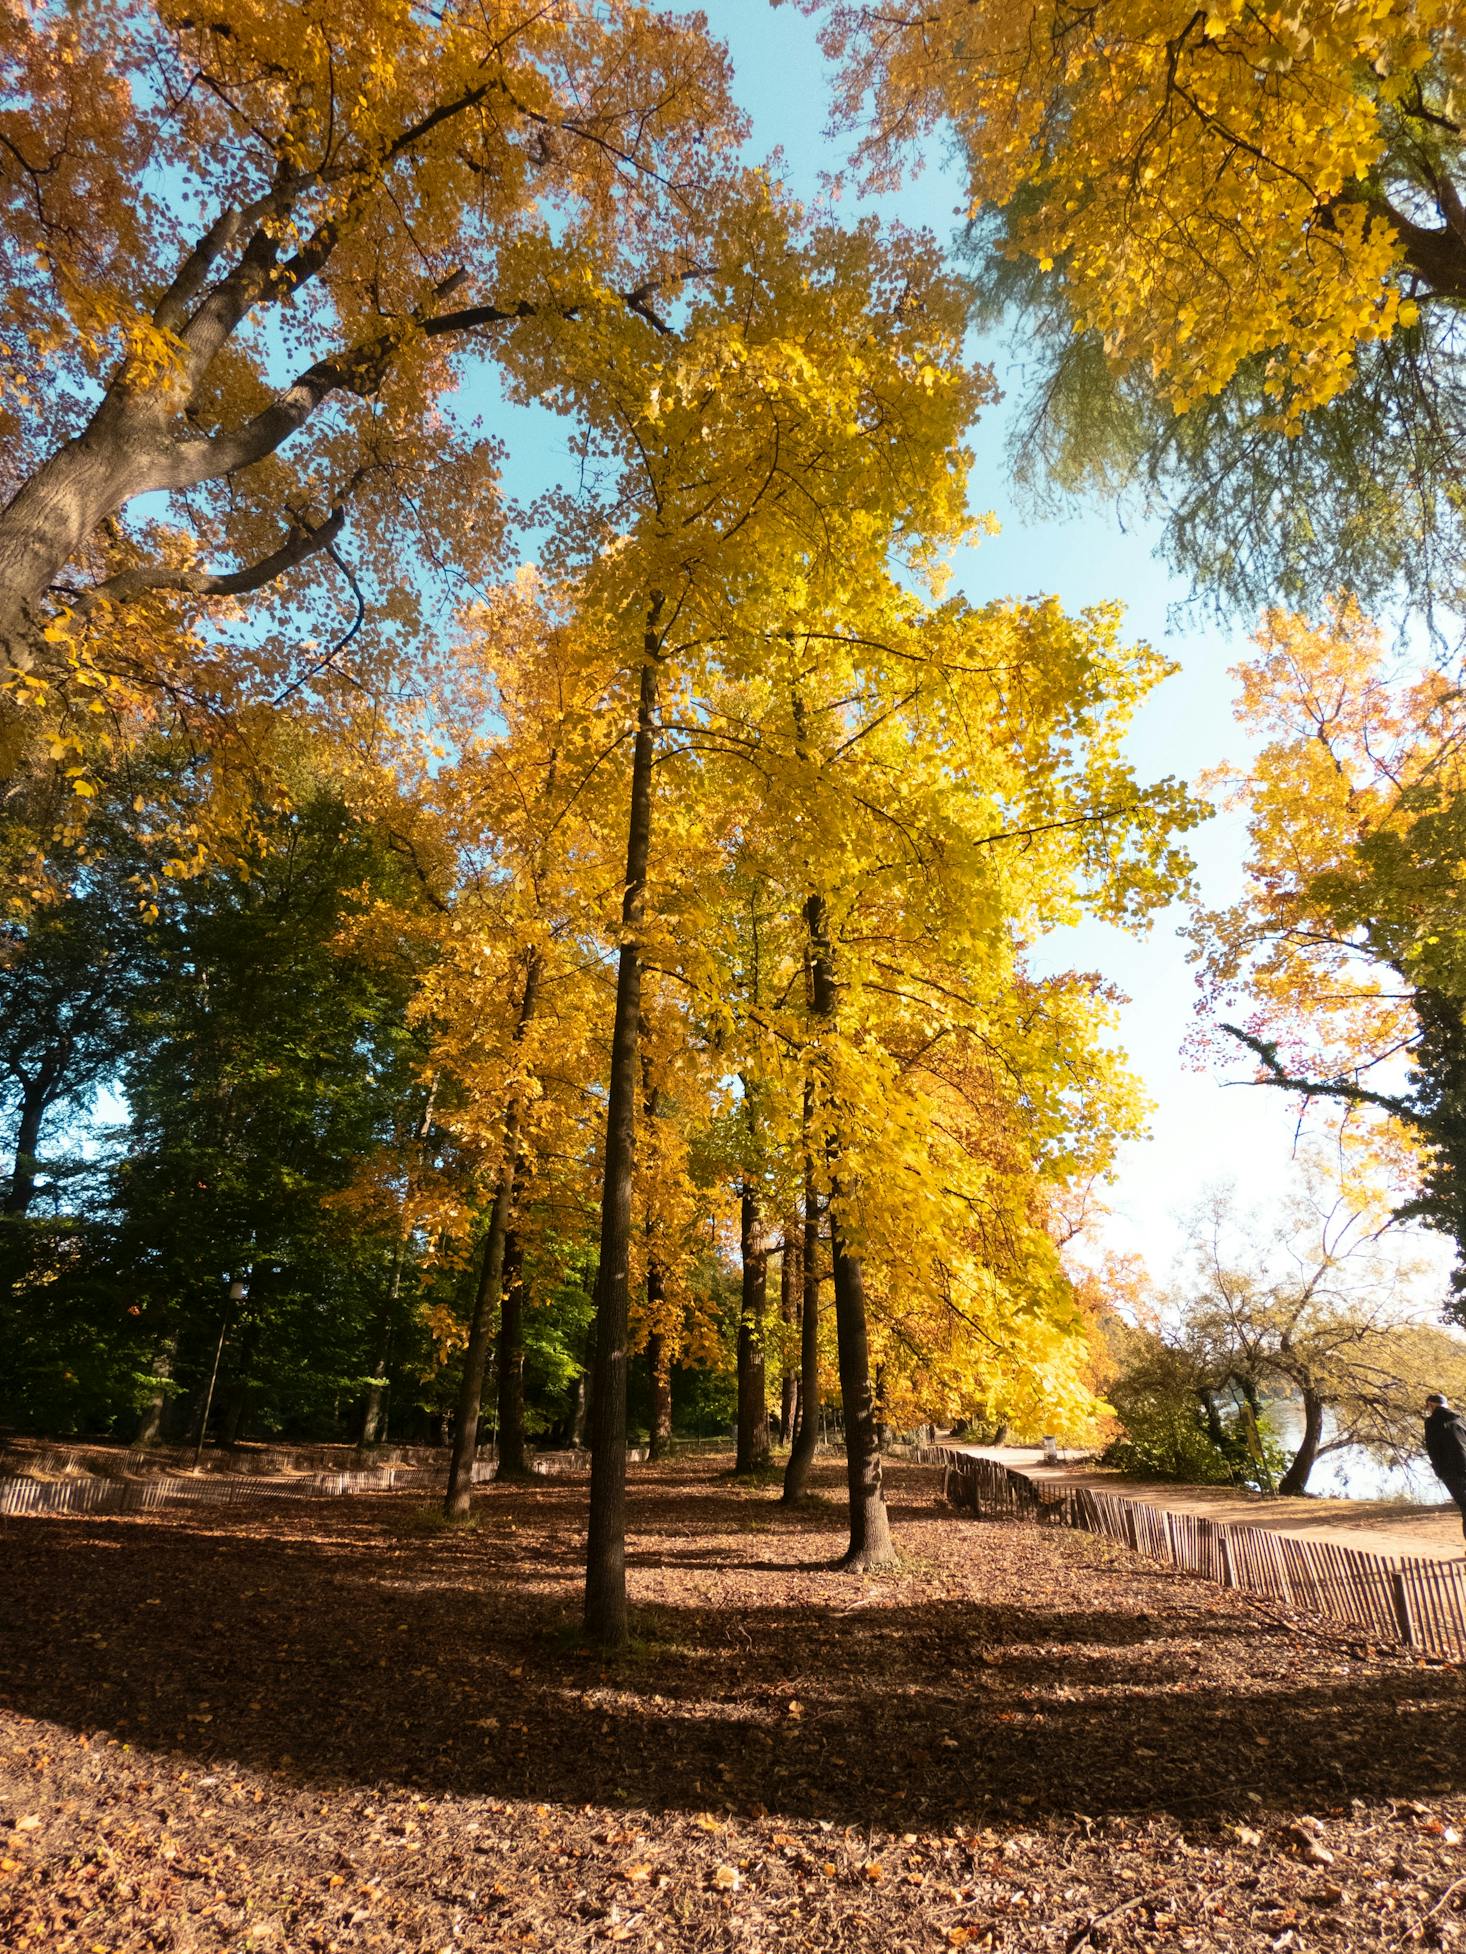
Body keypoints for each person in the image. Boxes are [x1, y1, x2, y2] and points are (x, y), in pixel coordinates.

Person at [1423, 1392, 1466, 1541]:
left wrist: (1439, 1471)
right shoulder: (1461, 1419)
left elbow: (1432, 1449)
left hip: (1451, 1471)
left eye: (1428, 1407)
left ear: (1431, 1405)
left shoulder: (1432, 1421)